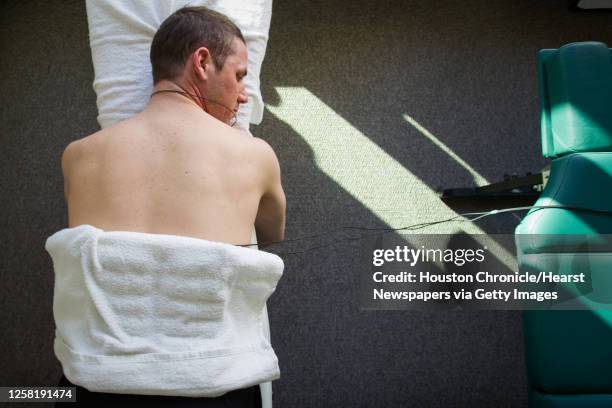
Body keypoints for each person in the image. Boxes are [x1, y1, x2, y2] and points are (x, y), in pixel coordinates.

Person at [54, 6, 285, 407]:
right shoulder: (255, 156)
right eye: (239, 76)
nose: (244, 95)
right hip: (214, 386)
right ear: (202, 62)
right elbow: (271, 234)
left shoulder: (78, 156)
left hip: (95, 388)